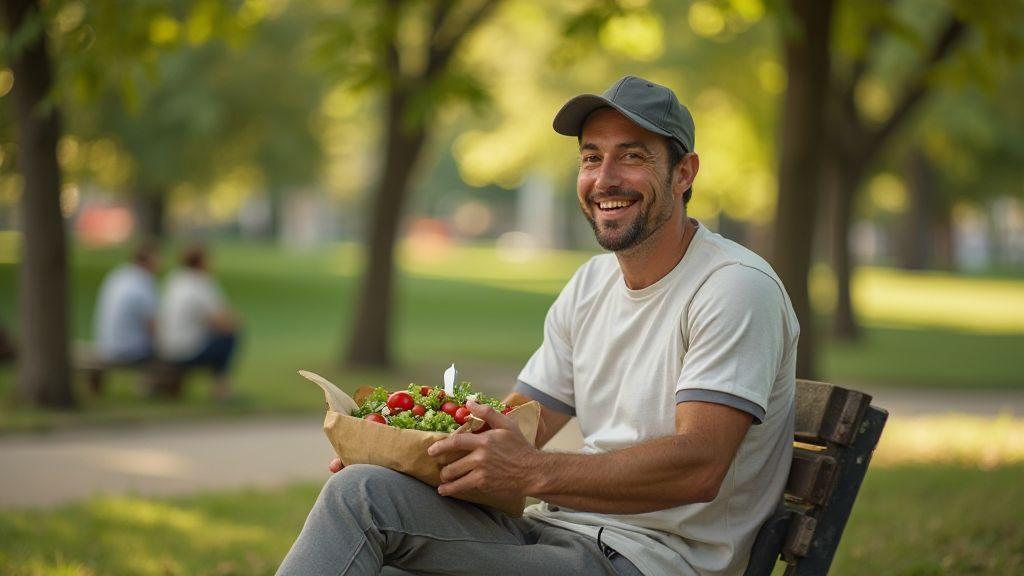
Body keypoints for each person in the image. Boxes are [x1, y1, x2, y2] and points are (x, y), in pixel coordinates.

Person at [278, 76, 799, 576]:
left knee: (360, 514)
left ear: (684, 173)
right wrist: (401, 457)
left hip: (646, 560)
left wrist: (531, 471)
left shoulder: (733, 287)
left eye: (632, 156)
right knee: (366, 490)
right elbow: (519, 424)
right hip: (557, 532)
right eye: (591, 157)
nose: (605, 178)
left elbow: (699, 466)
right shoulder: (592, 284)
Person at [157, 243, 241, 401]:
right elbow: (223, 322)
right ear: (201, 261)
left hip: (165, 346)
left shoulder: (174, 279)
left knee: (218, 336)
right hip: (187, 350)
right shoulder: (201, 283)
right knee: (229, 337)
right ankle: (221, 389)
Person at [92, 242, 160, 365]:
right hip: (128, 351)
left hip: (105, 347)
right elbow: (152, 327)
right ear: (149, 261)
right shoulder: (143, 281)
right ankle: (150, 385)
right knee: (168, 360)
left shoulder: (117, 275)